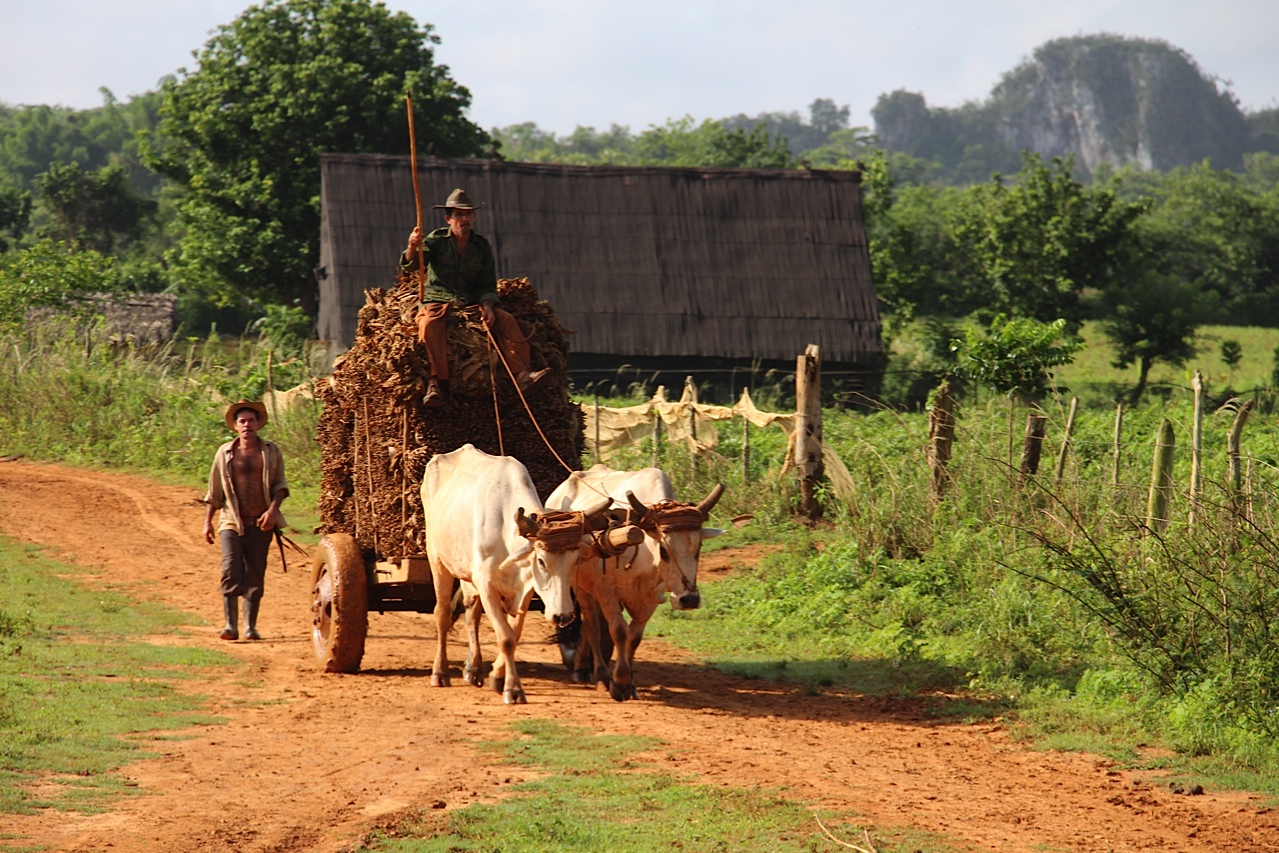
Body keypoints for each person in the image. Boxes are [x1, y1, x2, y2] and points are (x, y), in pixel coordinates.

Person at [401, 188, 549, 406]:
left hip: (469, 300)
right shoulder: (436, 240)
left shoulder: (481, 246)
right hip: (438, 299)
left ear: (474, 217)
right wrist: (412, 246)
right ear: (448, 219)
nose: (464, 219)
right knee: (428, 323)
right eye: (459, 215)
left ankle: (522, 376)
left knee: (506, 320)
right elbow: (412, 266)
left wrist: (488, 305)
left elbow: (487, 284)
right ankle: (434, 382)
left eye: (468, 214)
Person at [202, 400, 289, 641]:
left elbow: (281, 486)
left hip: (261, 523)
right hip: (231, 521)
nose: (247, 425)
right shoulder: (225, 453)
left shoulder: (271, 452)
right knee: (230, 568)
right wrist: (207, 522)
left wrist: (272, 512)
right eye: (242, 421)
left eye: (251, 420)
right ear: (235, 426)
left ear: (259, 424)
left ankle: (250, 627)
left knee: (255, 572)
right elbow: (214, 491)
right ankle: (231, 626)